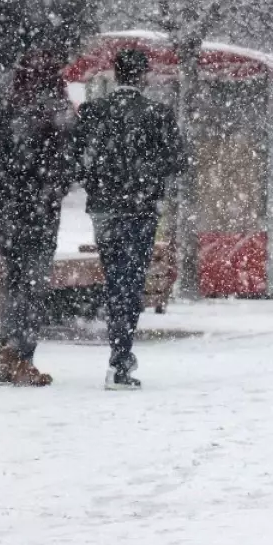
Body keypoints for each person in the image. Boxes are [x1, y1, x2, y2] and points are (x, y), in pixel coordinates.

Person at [72, 49, 185, 390]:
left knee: (114, 277)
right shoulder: (158, 115)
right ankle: (121, 355)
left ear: (115, 75)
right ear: (143, 76)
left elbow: (78, 160)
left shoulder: (92, 112)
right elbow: (176, 160)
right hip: (140, 209)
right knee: (131, 280)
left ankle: (118, 351)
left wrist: (99, 181)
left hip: (105, 207)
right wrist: (145, 178)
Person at [0, 49, 77, 387]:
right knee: (33, 285)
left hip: (10, 211)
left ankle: (7, 354)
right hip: (39, 211)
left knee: (18, 282)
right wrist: (55, 185)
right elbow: (66, 157)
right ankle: (22, 357)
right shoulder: (53, 112)